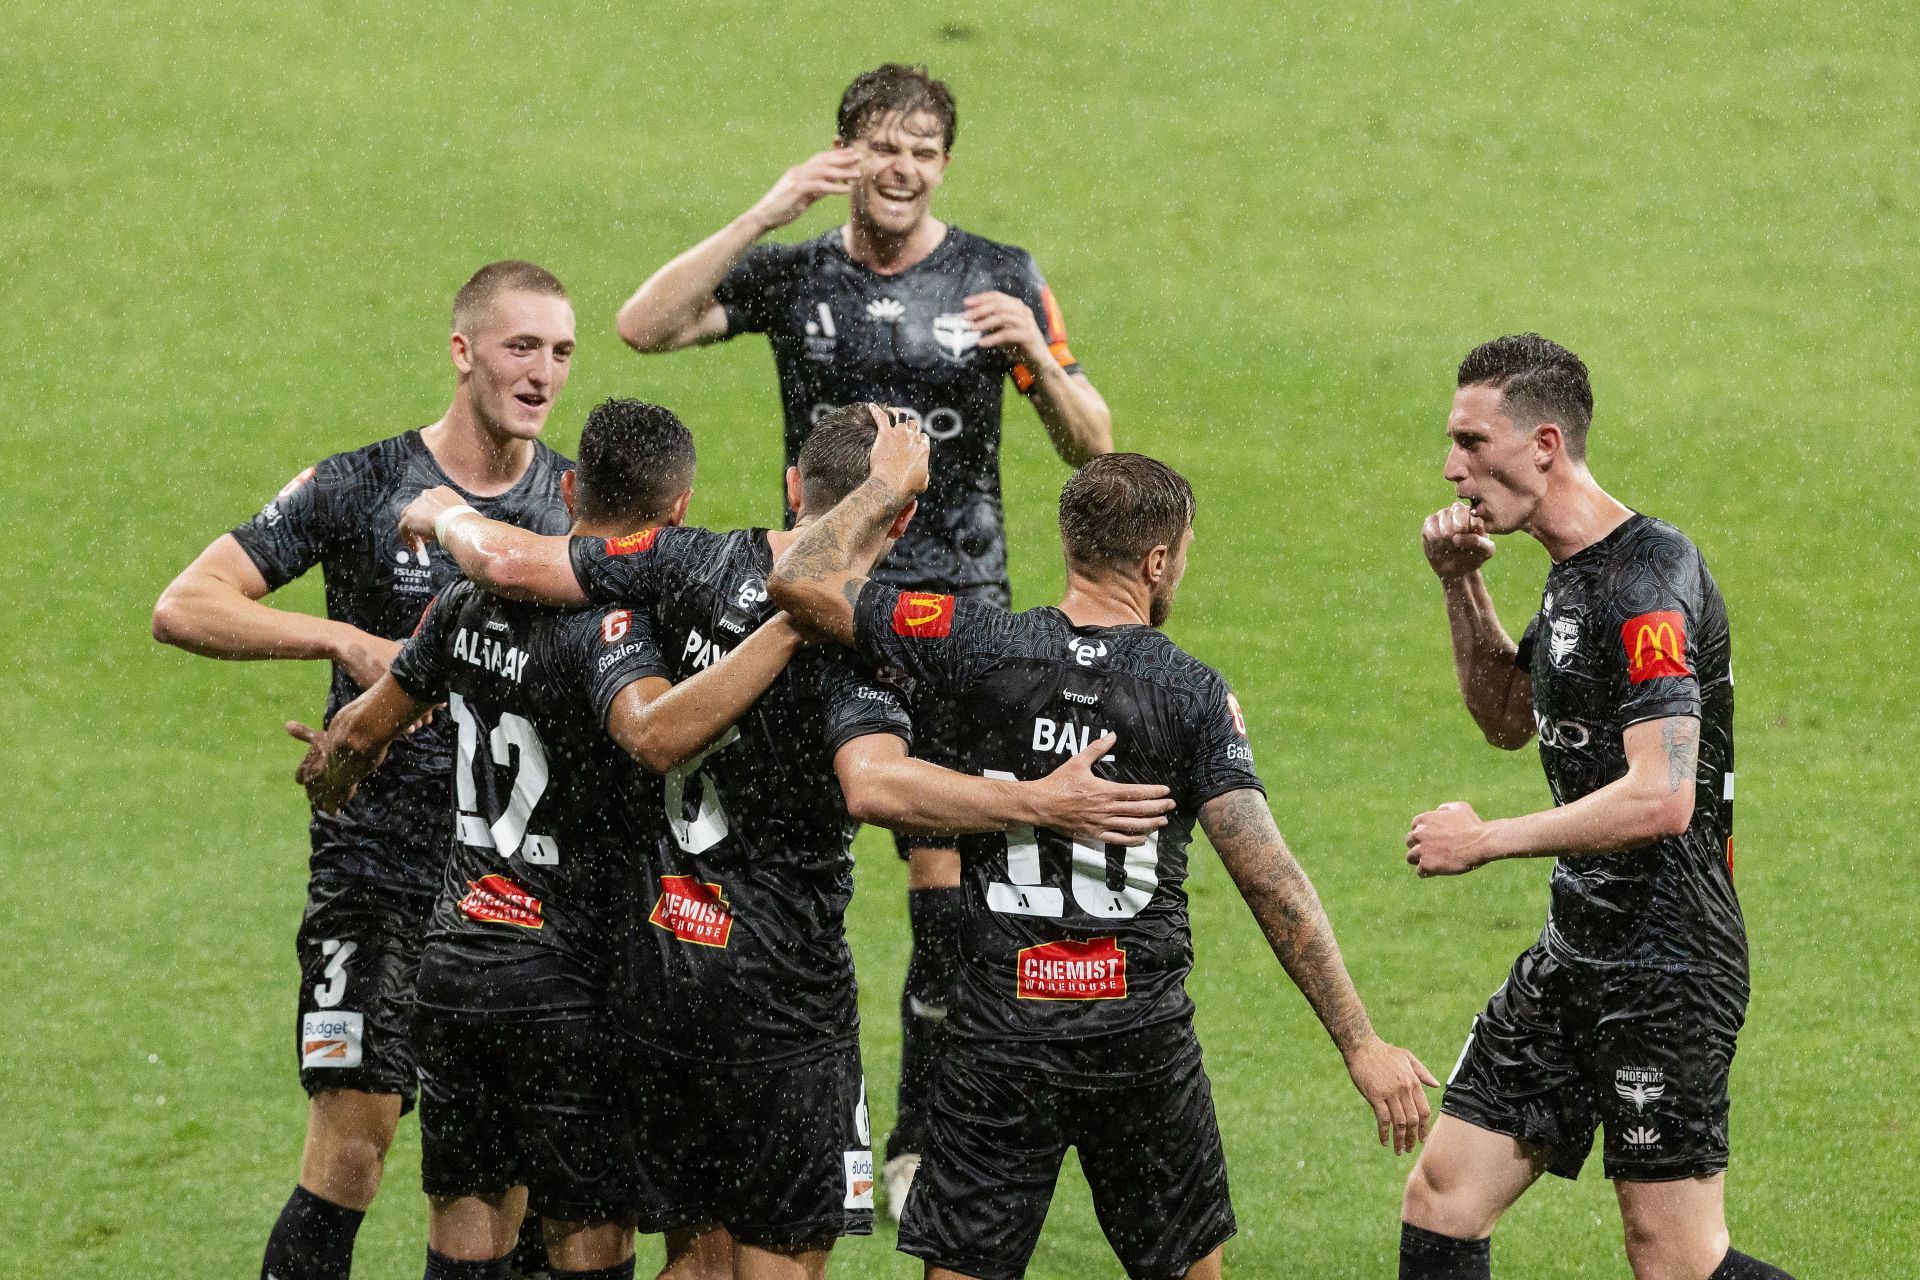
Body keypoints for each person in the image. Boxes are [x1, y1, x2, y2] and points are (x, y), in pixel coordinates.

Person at [397, 404, 1171, 1280]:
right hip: (780, 1000)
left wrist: (444, 513)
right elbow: (874, 784)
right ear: (902, 517)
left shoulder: (686, 561)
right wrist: (1035, 801)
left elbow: (512, 563)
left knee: (695, 1264)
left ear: (795, 486)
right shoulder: (861, 643)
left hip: (660, 974)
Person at [766, 420, 1436, 1280]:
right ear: (1157, 561)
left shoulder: (971, 644)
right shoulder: (1190, 695)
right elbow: (1270, 881)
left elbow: (797, 577)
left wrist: (886, 487)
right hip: (1139, 1043)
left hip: (996, 1040)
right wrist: (1360, 1042)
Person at [611, 62, 1114, 1208]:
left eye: (924, 150)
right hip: (825, 589)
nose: (904, 168)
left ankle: (924, 1133)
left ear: (945, 163)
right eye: (884, 146)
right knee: (779, 829)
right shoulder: (797, 278)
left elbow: (1093, 441)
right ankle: (762, 1079)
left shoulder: (998, 274)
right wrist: (765, 208)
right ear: (846, 154)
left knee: (942, 859)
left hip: (955, 605)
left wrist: (1034, 361)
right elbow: (643, 326)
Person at [286, 397, 819, 1280]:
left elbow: (355, 737)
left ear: (568, 488)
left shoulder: (461, 603)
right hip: (574, 978)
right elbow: (654, 734)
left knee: (466, 1231)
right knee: (588, 1241)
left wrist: (331, 775)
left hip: (456, 968)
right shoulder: (616, 632)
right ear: (678, 509)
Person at [151, 261, 577, 1280]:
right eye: (523, 347)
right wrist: (343, 640)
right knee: (352, 1150)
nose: (544, 372)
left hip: (509, 891)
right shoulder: (359, 484)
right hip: (375, 870)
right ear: (463, 350)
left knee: (496, 1185)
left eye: (562, 351)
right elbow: (187, 603)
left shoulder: (564, 510)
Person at [1399, 334, 1791, 1280]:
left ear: (1542, 443)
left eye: (1469, 442)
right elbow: (1506, 718)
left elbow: (1662, 797)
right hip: (1576, 951)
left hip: (1668, 961)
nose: (1451, 468)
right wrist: (1461, 585)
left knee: (1675, 1259)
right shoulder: (1572, 570)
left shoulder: (1647, 580)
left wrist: (1486, 840)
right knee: (1444, 1197)